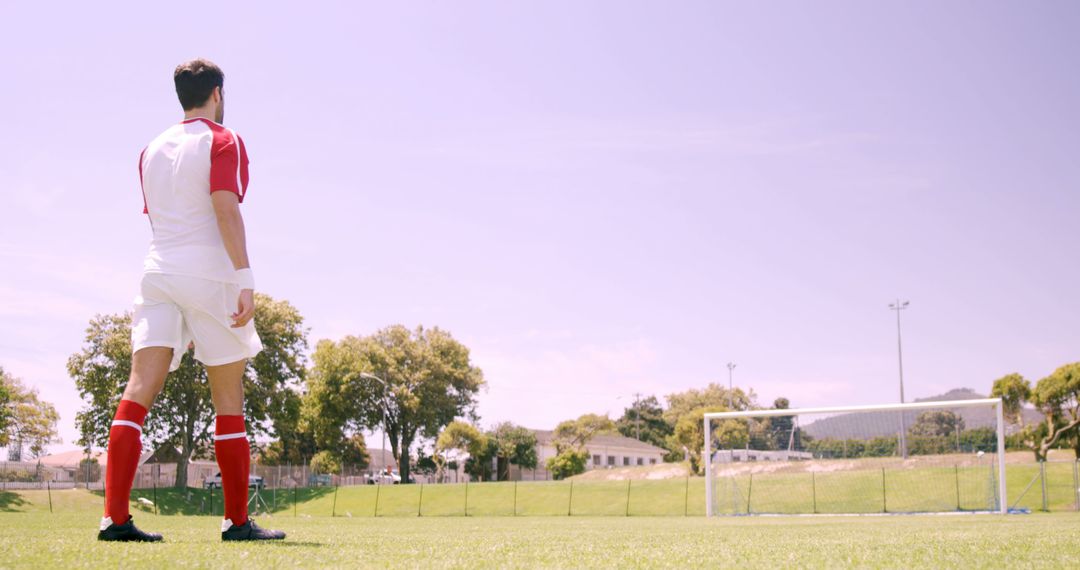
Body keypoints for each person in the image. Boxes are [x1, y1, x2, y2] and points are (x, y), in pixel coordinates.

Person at [97, 58, 285, 542]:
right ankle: (236, 521)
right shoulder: (225, 140)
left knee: (138, 389)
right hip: (209, 276)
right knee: (228, 396)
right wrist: (244, 277)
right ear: (217, 94)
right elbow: (225, 208)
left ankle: (114, 519)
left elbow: (158, 216)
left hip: (156, 272)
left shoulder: (150, 149)